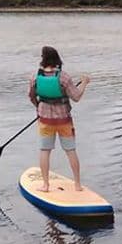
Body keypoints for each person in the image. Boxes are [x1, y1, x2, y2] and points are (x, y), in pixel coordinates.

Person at [28, 46, 90, 192]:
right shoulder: (64, 77)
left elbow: (31, 96)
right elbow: (76, 97)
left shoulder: (35, 76)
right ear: (57, 59)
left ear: (43, 58)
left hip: (45, 120)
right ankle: (77, 185)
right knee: (70, 150)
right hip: (64, 120)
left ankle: (45, 185)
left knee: (45, 150)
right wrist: (85, 83)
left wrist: (39, 107)